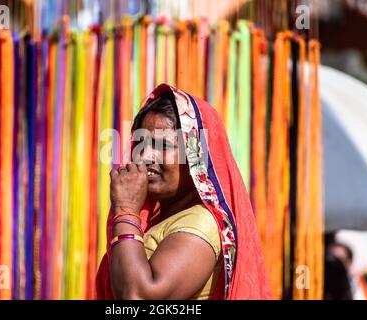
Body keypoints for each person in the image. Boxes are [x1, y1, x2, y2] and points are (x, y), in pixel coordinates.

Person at [95, 84, 270, 300]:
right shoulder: (161, 218)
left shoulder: (201, 225)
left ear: (195, 158)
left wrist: (126, 210)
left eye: (163, 146)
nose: (146, 155)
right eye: (140, 143)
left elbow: (138, 296)